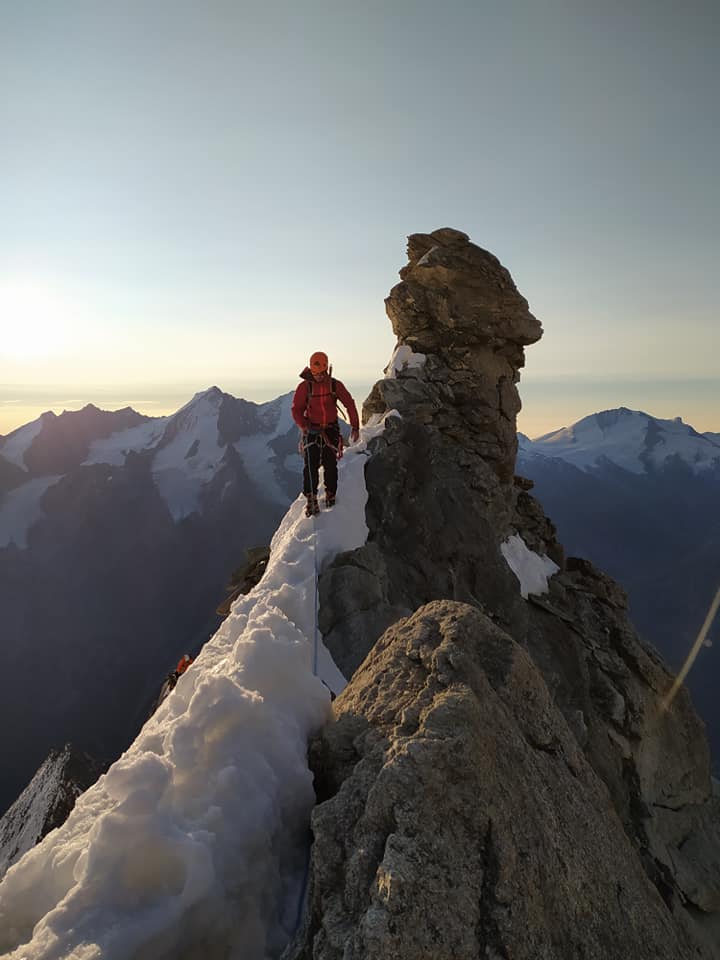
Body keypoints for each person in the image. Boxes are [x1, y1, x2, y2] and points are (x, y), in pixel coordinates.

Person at [291, 351, 359, 517]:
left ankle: (330, 493)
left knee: (330, 463)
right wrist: (304, 426)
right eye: (315, 374)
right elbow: (297, 409)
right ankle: (311, 498)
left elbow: (349, 403)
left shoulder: (334, 385)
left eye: (321, 373)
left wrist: (355, 427)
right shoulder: (305, 387)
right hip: (311, 428)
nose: (319, 377)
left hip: (330, 428)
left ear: (326, 369)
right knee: (310, 464)